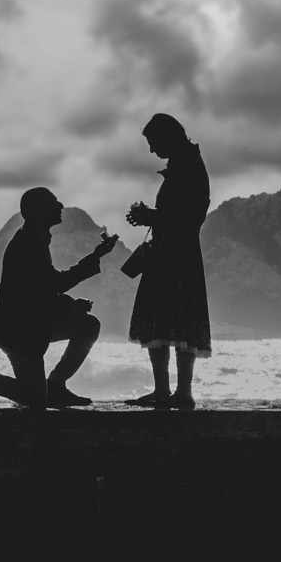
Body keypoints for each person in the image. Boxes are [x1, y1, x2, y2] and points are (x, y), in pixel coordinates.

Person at [0, 186, 117, 408]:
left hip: (34, 325)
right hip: (19, 331)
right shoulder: (27, 244)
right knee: (35, 399)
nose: (60, 206)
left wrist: (70, 304)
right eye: (53, 203)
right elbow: (53, 284)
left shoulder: (35, 239)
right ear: (37, 212)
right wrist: (95, 257)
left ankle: (56, 385)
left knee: (88, 326)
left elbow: (41, 289)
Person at [123, 113, 212, 409]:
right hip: (178, 253)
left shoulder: (187, 168)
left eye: (153, 142)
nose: (151, 150)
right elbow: (186, 214)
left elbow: (188, 218)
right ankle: (174, 391)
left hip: (175, 254)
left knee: (164, 320)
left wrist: (151, 216)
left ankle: (175, 391)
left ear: (167, 137)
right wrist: (153, 215)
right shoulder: (187, 165)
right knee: (175, 321)